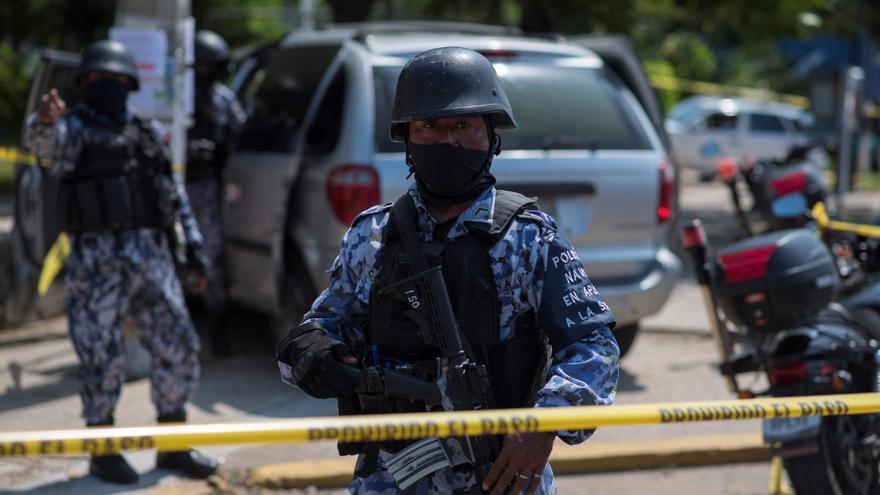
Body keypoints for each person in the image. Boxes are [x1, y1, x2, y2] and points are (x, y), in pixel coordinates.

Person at [276, 47, 619, 495]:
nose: (448, 141)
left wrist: (541, 426)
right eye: (430, 127)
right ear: (408, 139)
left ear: (491, 136)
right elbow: (324, 327)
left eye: (464, 125)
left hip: (500, 474)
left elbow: (594, 345)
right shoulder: (372, 235)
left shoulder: (528, 238)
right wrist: (313, 352)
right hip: (389, 477)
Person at [24, 40, 217, 484]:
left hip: (150, 256)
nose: (106, 86)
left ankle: (172, 444)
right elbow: (45, 147)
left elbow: (174, 195)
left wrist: (194, 250)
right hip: (96, 263)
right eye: (96, 80)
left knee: (177, 343)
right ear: (85, 84)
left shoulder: (146, 132)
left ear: (129, 84)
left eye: (114, 80)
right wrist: (43, 120)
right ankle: (102, 450)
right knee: (99, 356)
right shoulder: (71, 129)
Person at [185, 30, 246, 357]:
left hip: (206, 188)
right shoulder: (172, 95)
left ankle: (219, 330)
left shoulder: (222, 99)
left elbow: (240, 132)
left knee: (211, 259)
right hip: (173, 186)